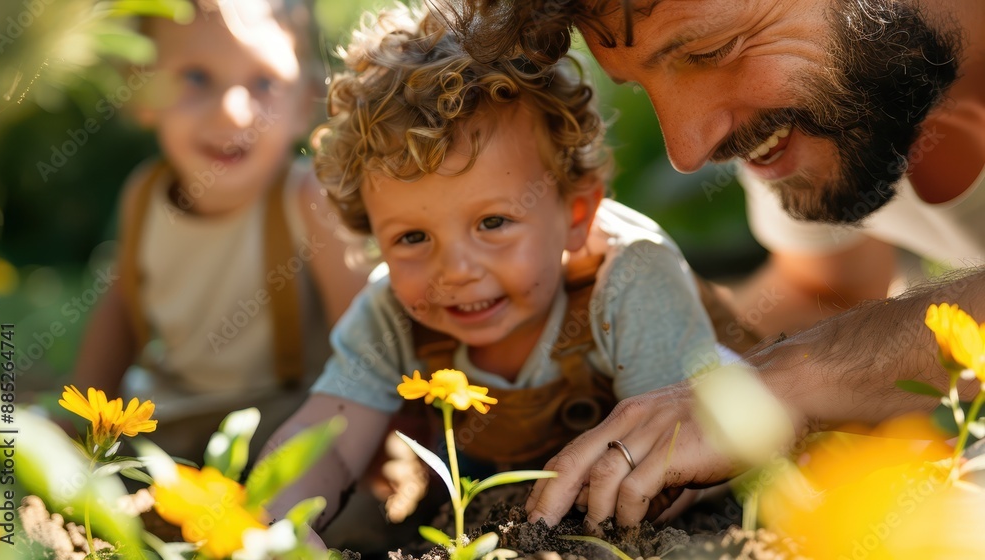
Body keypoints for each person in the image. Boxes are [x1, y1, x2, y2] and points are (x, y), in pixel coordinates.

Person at [440, 0, 985, 532]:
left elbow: (821, 357)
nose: (687, 146)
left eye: (712, 50)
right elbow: (832, 286)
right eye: (646, 86)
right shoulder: (835, 86)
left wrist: (793, 379)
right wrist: (660, 377)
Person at [260, 3, 740, 534]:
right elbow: (323, 441)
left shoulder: (629, 280)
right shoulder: (389, 316)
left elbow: (667, 456)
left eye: (493, 222)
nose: (457, 270)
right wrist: (280, 524)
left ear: (575, 215)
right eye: (412, 237)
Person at [68, 0, 369, 461]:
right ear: (141, 86)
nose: (232, 112)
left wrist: (370, 447)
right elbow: (122, 307)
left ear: (303, 102)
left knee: (326, 496)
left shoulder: (304, 199)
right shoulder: (144, 195)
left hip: (281, 415)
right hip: (169, 413)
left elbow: (362, 335)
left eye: (264, 83)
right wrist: (81, 423)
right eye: (196, 77)